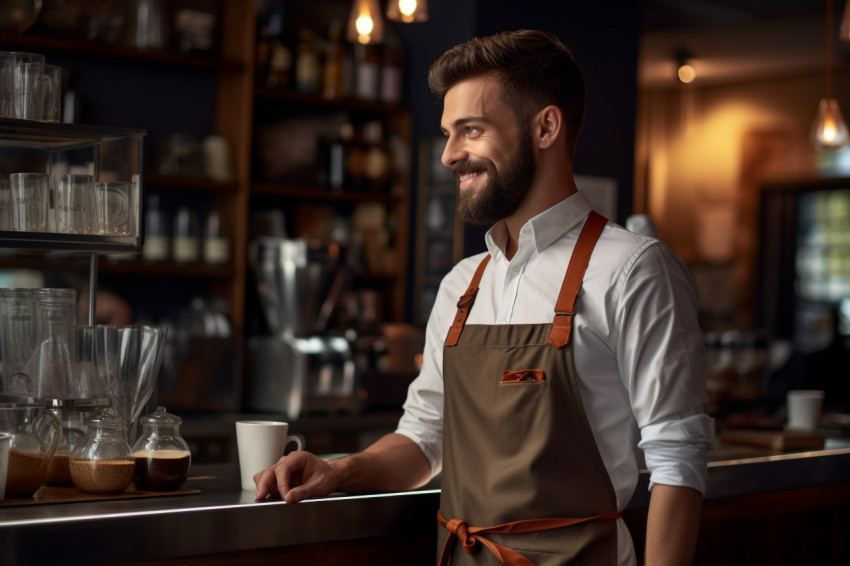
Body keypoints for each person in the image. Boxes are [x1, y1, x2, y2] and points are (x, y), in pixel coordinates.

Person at [254, 29, 715, 566]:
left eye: (470, 130)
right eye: (449, 133)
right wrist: (340, 469)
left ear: (546, 126)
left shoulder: (633, 268)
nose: (450, 155)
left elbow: (677, 459)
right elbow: (425, 439)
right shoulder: (461, 285)